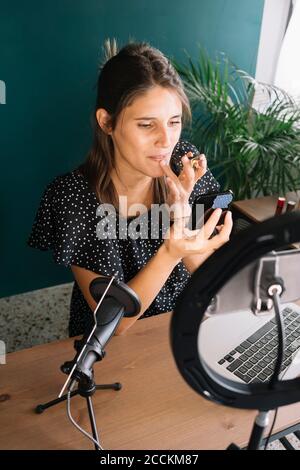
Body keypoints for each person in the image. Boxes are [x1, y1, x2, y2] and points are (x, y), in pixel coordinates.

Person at [27, 40, 232, 338]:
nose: (165, 140)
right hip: (110, 346)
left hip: (183, 325)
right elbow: (116, 322)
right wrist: (170, 252)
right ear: (107, 122)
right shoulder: (72, 196)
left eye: (173, 122)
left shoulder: (183, 162)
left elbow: (214, 282)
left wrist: (182, 219)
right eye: (147, 125)